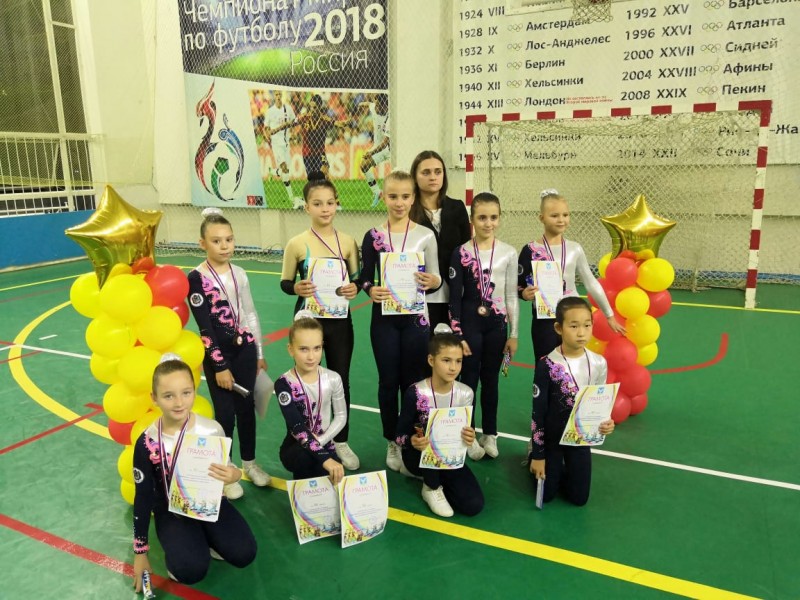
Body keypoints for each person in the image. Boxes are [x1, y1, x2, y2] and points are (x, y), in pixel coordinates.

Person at [132, 359, 257, 590]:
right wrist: (140, 553)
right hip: (172, 510)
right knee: (191, 570)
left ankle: (209, 540)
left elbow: (228, 467)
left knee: (244, 553)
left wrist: (234, 476)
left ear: (194, 391)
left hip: (209, 502)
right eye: (168, 396)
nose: (179, 402)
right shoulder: (147, 442)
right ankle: (182, 551)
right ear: (154, 398)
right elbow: (143, 497)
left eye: (186, 393)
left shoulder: (212, 429)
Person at [357, 169, 441, 473]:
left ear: (413, 198)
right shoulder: (373, 236)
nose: (399, 202)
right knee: (388, 381)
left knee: (413, 382)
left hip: (416, 319)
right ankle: (391, 440)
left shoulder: (425, 235)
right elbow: (364, 278)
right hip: (385, 319)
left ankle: (410, 438)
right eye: (393, 196)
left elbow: (437, 278)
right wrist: (371, 289)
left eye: (405, 196)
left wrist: (432, 280)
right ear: (383, 197)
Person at [279, 174, 361, 470]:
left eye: (329, 203)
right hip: (308, 320)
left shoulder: (348, 242)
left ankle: (341, 441)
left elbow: (357, 280)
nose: (325, 208)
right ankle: (304, 438)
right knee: (305, 381)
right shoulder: (296, 244)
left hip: (339, 321)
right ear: (306, 207)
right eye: (317, 203)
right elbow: (285, 283)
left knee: (340, 378)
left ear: (337, 204)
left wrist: (355, 288)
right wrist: (296, 288)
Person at [187, 208, 270, 500]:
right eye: (216, 241)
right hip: (218, 356)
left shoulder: (240, 273)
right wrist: (219, 366)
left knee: (247, 409)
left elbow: (250, 313)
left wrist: (258, 351)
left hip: (244, 349)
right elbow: (205, 328)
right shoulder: (196, 279)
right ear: (203, 244)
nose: (224, 246)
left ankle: (250, 463)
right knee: (225, 414)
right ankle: (227, 468)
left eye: (229, 239)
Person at [449, 191, 519, 460]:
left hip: (497, 327)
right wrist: (458, 334)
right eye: (482, 218)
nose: (488, 223)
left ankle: (490, 433)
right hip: (470, 326)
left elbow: (511, 295)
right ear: (472, 220)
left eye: (493, 217)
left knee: (491, 381)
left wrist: (514, 334)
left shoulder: (508, 253)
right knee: (468, 381)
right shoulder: (461, 253)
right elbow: (455, 299)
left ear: (499, 218)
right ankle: (468, 434)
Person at [518, 189, 625, 361]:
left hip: (574, 315)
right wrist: (524, 294)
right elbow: (518, 284)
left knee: (574, 363)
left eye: (565, 215)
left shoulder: (575, 248)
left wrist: (609, 315)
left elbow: (591, 282)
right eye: (554, 215)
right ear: (542, 218)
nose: (561, 220)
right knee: (545, 363)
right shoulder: (530, 250)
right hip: (544, 318)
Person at [528, 296, 616, 506]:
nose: (581, 333)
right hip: (552, 439)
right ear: (558, 328)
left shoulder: (599, 363)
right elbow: (538, 413)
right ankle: (531, 452)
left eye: (587, 325)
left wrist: (606, 423)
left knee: (579, 499)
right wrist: (539, 455)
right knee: (547, 495)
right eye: (574, 326)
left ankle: (562, 469)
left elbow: (599, 404)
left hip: (579, 438)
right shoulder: (547, 365)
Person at [395, 329, 485, 517]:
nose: (453, 368)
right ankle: (430, 488)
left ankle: (438, 480)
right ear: (431, 360)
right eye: (446, 360)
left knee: (473, 505)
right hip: (419, 456)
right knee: (428, 434)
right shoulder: (416, 393)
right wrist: (412, 441)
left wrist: (470, 437)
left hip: (449, 457)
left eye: (458, 361)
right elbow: (399, 436)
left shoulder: (466, 393)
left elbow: (468, 428)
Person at [274, 313, 347, 485]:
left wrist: (321, 443)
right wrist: (324, 457)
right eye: (303, 349)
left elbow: (341, 416)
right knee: (306, 459)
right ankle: (302, 493)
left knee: (333, 474)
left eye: (317, 348)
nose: (311, 357)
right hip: (296, 448)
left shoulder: (333, 378)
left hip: (325, 444)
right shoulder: (284, 384)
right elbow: (297, 426)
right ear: (290, 349)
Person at [409, 150, 471, 333]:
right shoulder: (408, 212)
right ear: (415, 177)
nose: (433, 177)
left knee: (453, 347)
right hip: (420, 295)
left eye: (438, 171)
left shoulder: (457, 207)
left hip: (455, 295)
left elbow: (466, 252)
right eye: (426, 172)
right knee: (425, 347)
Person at [263, 90, 302, 209]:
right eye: (276, 95)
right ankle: (292, 199)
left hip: (286, 143)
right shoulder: (270, 111)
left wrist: (293, 131)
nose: (278, 96)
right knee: (284, 168)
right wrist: (267, 136)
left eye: (280, 94)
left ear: (282, 96)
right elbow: (266, 127)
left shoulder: (288, 109)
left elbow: (294, 122)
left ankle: (272, 172)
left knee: (285, 171)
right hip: (276, 144)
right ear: (274, 97)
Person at [358, 93, 390, 207]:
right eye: (375, 104)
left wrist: (371, 153)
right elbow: (368, 104)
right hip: (377, 147)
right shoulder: (374, 107)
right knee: (364, 165)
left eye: (378, 106)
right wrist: (361, 104)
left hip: (389, 149)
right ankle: (377, 192)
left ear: (384, 106)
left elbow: (385, 143)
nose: (375, 107)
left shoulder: (390, 117)